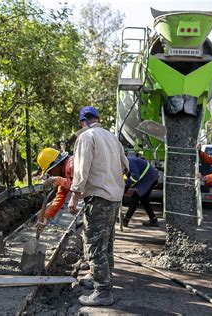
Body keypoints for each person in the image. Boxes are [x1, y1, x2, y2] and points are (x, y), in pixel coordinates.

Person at [68, 106, 129, 306]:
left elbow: (81, 170)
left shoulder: (86, 137)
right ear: (98, 118)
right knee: (107, 241)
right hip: (114, 197)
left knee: (94, 245)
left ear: (82, 121)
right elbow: (125, 166)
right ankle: (102, 275)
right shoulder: (112, 137)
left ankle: (103, 290)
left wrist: (74, 197)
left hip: (98, 197)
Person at [35, 147, 73, 228]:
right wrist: (45, 216)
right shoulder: (63, 173)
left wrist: (58, 180)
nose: (51, 174)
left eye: (50, 171)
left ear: (55, 165)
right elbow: (60, 196)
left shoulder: (72, 164)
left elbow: (80, 186)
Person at [123, 156, 159, 227]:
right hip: (150, 177)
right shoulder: (127, 162)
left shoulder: (129, 161)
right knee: (144, 200)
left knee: (136, 197)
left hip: (149, 178)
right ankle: (153, 219)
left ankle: (126, 220)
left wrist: (126, 184)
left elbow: (135, 176)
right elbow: (127, 176)